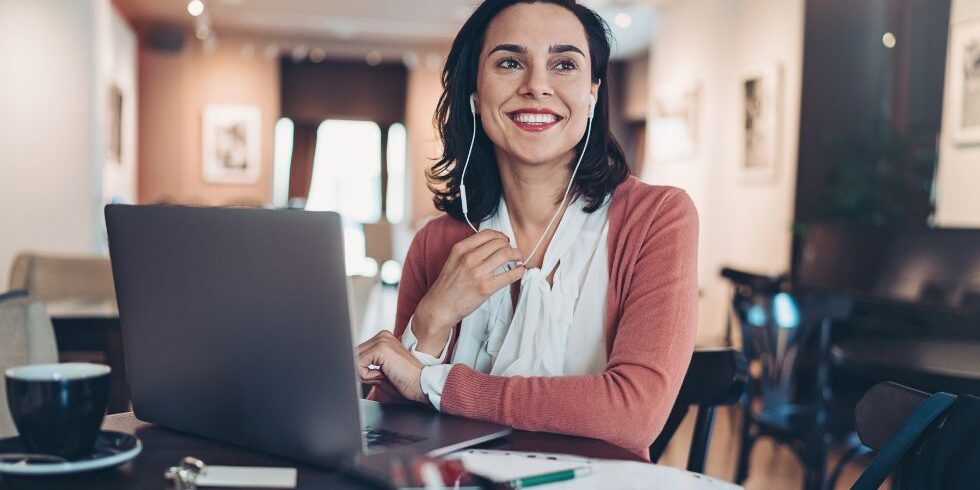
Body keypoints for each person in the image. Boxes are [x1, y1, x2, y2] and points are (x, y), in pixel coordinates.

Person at [357, 0, 698, 459]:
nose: (537, 85)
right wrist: (433, 318)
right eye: (510, 62)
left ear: (593, 91)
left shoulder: (659, 218)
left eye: (563, 64)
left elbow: (634, 414)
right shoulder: (435, 242)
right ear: (475, 93)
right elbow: (396, 428)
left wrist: (434, 382)